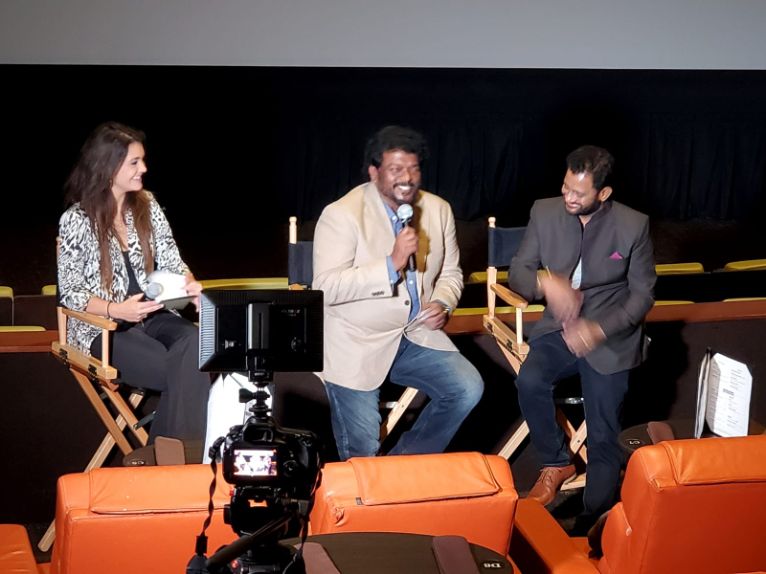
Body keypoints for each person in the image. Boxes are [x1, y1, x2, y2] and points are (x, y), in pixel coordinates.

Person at [312, 125, 484, 460]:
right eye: (395, 169)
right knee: (362, 449)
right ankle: (369, 483)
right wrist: (390, 264)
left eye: (413, 169)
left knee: (466, 388)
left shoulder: (438, 209)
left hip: (414, 334)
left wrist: (443, 302)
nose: (406, 178)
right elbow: (325, 288)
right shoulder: (341, 215)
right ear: (374, 172)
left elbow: (450, 273)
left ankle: (400, 469)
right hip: (356, 342)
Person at [507, 145, 655, 530]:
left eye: (579, 192)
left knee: (603, 435)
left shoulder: (633, 225)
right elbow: (518, 271)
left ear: (603, 193)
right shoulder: (544, 212)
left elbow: (642, 296)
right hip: (558, 329)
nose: (568, 197)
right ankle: (556, 461)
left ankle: (593, 528)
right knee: (529, 380)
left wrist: (598, 329)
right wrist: (545, 282)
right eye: (566, 187)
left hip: (610, 337)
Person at [58, 121, 211, 456]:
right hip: (103, 327)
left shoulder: (147, 205)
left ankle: (164, 463)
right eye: (134, 162)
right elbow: (70, 293)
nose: (144, 168)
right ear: (108, 167)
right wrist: (117, 310)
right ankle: (177, 462)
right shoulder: (76, 219)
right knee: (185, 371)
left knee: (199, 343)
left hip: (153, 315)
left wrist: (191, 286)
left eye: (142, 160)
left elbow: (172, 259)